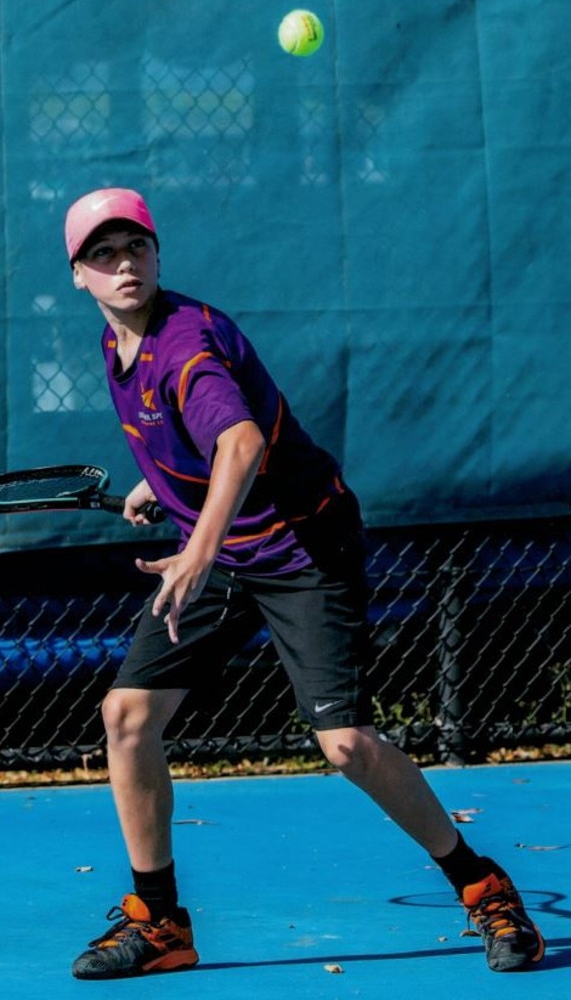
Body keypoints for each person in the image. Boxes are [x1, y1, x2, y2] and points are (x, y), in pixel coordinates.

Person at [63, 187, 545, 979]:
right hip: (222, 546)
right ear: (78, 276)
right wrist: (167, 485)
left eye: (136, 249)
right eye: (103, 255)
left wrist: (198, 550)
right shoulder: (118, 348)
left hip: (300, 552)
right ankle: (160, 923)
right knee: (127, 716)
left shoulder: (186, 343)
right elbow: (196, 441)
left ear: (157, 256)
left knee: (347, 744)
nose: (124, 266)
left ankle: (484, 885)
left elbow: (242, 442)